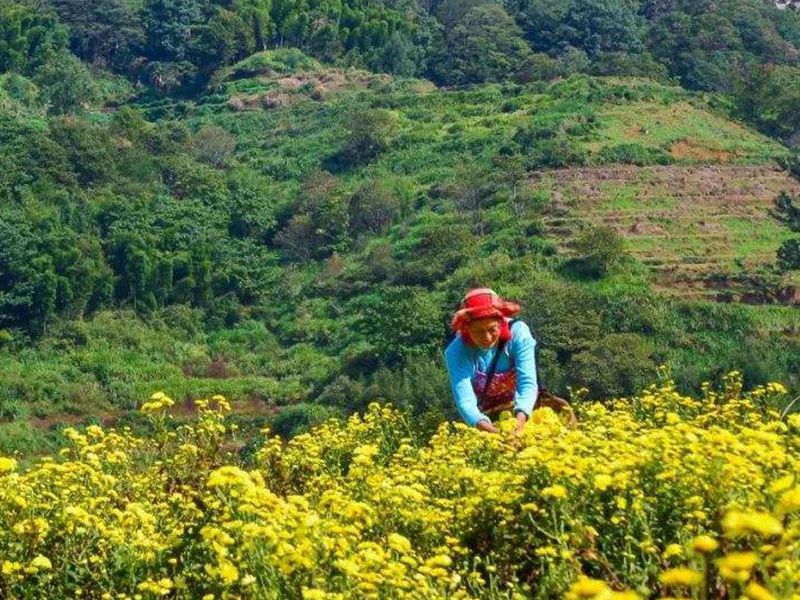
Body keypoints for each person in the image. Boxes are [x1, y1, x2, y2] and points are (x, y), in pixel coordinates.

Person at [444, 288, 538, 434]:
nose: (487, 338)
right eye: (477, 331)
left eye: (492, 329)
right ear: (466, 329)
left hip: (526, 408)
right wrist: (492, 433)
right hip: (487, 416)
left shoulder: (518, 334)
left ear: (501, 323)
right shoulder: (457, 352)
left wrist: (519, 422)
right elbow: (465, 400)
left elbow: (527, 382)